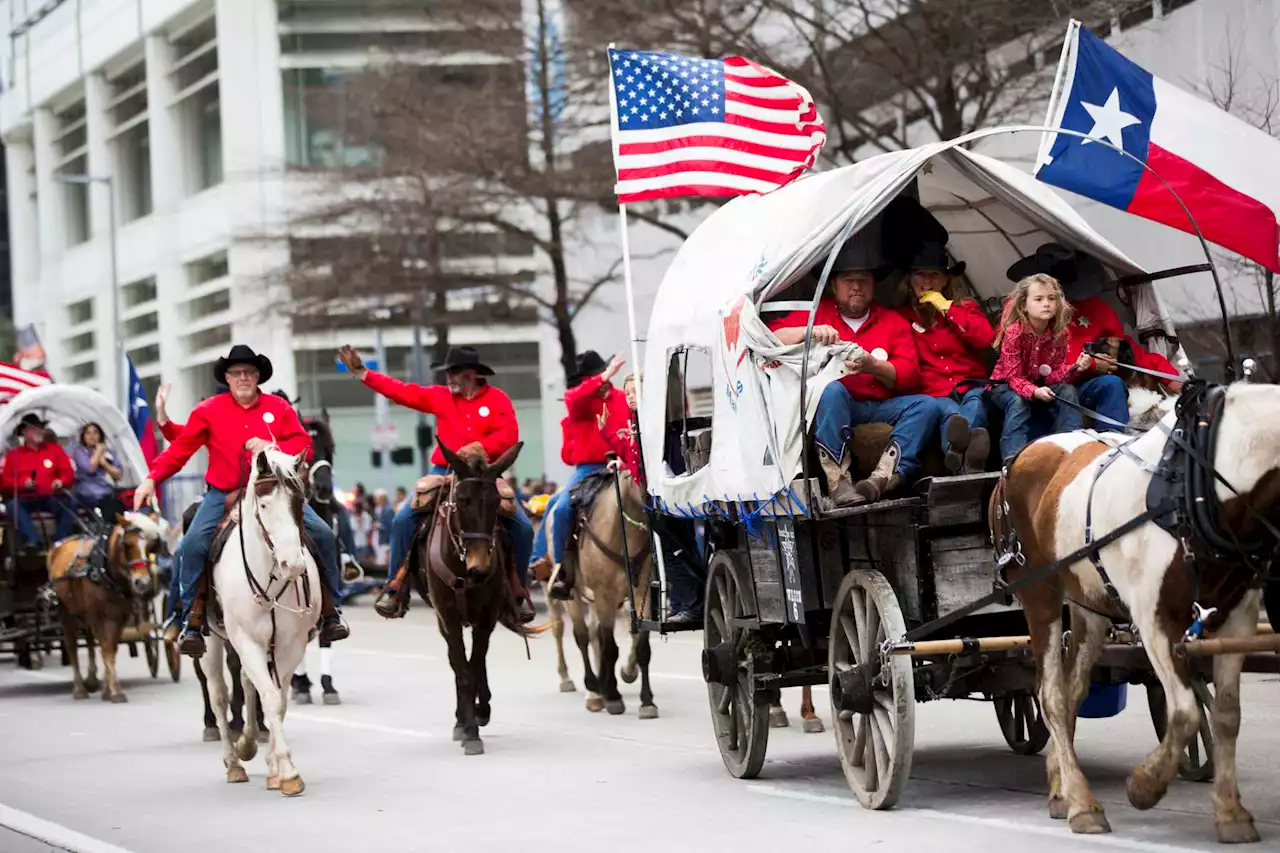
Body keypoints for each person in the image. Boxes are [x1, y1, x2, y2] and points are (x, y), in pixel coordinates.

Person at [133, 345, 349, 657]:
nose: (243, 377)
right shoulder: (207, 410)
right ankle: (191, 620)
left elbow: (304, 445)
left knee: (324, 535)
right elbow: (180, 450)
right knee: (191, 544)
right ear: (228, 378)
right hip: (224, 494)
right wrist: (152, 478)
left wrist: (271, 445)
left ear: (258, 376)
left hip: (273, 492)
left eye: (249, 372)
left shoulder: (279, 408)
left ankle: (331, 611)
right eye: (236, 373)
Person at [338, 344, 536, 623]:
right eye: (448, 372)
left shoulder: (497, 399)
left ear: (471, 374)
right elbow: (403, 392)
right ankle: (396, 586)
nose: (449, 378)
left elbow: (510, 435)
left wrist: (480, 446)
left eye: (454, 372)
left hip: (485, 474)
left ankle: (518, 591)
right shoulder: (441, 397)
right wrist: (363, 374)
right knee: (402, 519)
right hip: (443, 470)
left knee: (523, 527)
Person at [767, 237, 939, 507]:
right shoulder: (816, 314)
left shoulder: (892, 321)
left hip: (882, 404)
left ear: (874, 285)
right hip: (839, 403)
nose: (856, 287)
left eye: (864, 280)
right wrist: (806, 332)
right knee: (831, 389)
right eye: (848, 280)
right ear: (834, 286)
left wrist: (874, 366)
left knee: (928, 405)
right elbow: (772, 338)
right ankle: (839, 481)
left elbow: (910, 376)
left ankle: (883, 478)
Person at [1006, 243, 1182, 427]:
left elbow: (1126, 350)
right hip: (1043, 390)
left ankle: (1110, 440)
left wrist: (1168, 376)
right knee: (1091, 388)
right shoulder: (1023, 315)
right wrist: (1089, 365)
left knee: (1112, 385)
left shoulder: (1096, 309)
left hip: (1089, 388)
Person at [535, 350, 632, 600]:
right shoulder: (578, 403)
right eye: (594, 377)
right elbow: (573, 397)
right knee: (563, 509)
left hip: (626, 463)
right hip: (590, 469)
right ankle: (562, 571)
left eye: (601, 375)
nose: (600, 381)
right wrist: (606, 374)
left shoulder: (623, 398)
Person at [895, 241, 996, 474]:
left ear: (946, 279)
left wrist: (947, 309)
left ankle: (955, 455)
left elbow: (985, 339)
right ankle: (968, 466)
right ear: (910, 278)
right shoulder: (901, 315)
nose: (928, 282)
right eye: (921, 274)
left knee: (975, 404)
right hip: (933, 390)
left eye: (935, 275)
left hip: (972, 385)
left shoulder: (965, 307)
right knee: (950, 414)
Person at [987, 273, 1091, 463]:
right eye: (1039, 299)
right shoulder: (1014, 333)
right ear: (1023, 305)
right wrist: (1034, 391)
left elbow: (1053, 376)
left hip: (1038, 384)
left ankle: (1069, 448)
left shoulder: (1060, 333)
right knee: (1018, 402)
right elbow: (1013, 378)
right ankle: (1012, 460)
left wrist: (1075, 367)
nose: (1047, 304)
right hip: (1004, 387)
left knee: (1068, 390)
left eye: (1052, 298)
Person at [1, 413, 77, 547]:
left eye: (41, 427)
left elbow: (68, 474)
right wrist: (22, 484)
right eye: (35, 428)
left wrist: (61, 481)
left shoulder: (55, 450)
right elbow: (5, 482)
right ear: (25, 431)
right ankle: (34, 542)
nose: (40, 431)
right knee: (13, 506)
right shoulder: (14, 455)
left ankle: (59, 544)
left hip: (51, 496)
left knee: (70, 504)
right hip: (25, 498)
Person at [71, 422, 125, 520]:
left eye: (95, 432)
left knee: (118, 507)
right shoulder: (80, 452)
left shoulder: (109, 452)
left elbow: (119, 474)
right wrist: (98, 452)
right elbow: (90, 469)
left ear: (100, 435)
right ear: (83, 437)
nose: (92, 436)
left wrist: (104, 464)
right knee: (109, 507)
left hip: (108, 492)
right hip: (88, 494)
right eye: (88, 433)